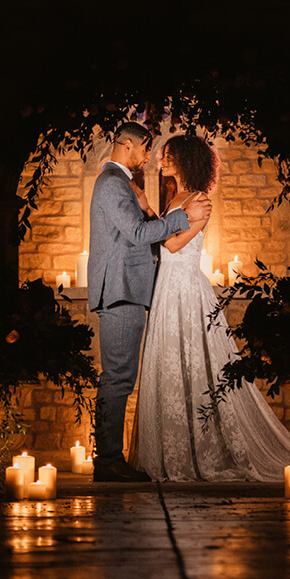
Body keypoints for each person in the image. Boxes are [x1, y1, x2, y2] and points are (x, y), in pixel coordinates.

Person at [129, 133, 290, 481]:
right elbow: (168, 228)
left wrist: (152, 220)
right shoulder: (180, 197)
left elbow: (172, 244)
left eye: (169, 156)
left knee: (196, 359)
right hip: (167, 287)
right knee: (171, 358)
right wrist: (147, 208)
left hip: (185, 288)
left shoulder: (201, 200)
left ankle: (203, 450)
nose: (162, 162)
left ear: (188, 159)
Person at [88, 121, 212, 482]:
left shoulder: (118, 183)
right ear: (127, 145)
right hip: (121, 290)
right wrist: (180, 217)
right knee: (118, 378)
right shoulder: (112, 183)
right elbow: (140, 234)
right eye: (145, 149)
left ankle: (110, 458)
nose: (149, 158)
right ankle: (108, 460)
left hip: (127, 289)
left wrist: (149, 207)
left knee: (119, 376)